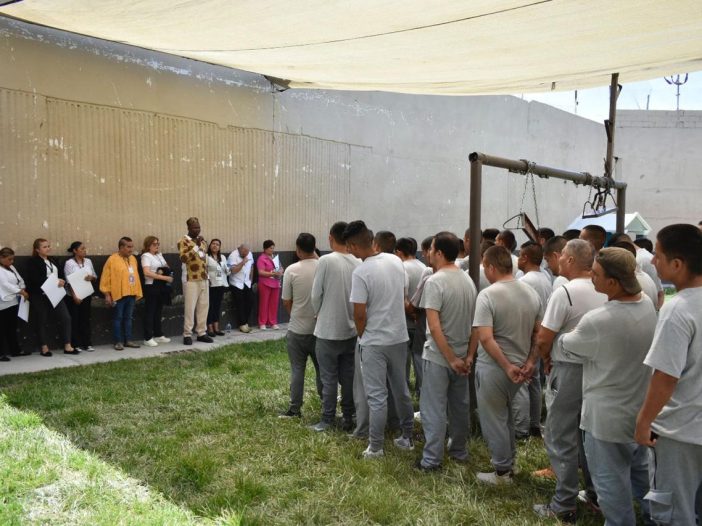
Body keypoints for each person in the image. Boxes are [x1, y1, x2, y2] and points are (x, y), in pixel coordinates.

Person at [557, 247, 656, 526]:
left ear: (612, 282)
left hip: (605, 420)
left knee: (611, 487)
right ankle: (655, 519)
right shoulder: (647, 305)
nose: (591, 277)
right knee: (642, 476)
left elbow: (566, 344)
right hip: (638, 410)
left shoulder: (598, 320)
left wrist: (567, 333)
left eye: (596, 274)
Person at [532, 239, 607, 522]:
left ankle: (563, 503)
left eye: (562, 254)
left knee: (560, 434)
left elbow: (544, 337)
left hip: (568, 369)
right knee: (588, 434)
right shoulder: (603, 289)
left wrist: (546, 357)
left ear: (572, 260)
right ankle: (595, 495)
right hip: (597, 370)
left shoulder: (565, 291)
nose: (558, 258)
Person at [635, 224, 702, 526]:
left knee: (674, 510)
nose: (652, 260)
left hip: (679, 430)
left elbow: (665, 376)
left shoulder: (677, 310)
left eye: (658, 256)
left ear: (677, 264)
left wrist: (644, 421)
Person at [472, 245, 542, 485]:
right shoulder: (531, 293)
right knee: (506, 418)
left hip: (495, 367)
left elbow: (485, 338)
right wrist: (530, 361)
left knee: (494, 419)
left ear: (491, 267)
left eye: (484, 267)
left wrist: (505, 365)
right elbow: (538, 333)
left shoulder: (488, 295)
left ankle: (502, 471)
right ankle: (509, 463)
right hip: (521, 365)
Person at [345, 220, 414, 459]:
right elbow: (402, 295)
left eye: (349, 246)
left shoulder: (361, 272)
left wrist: (362, 335)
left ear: (354, 246)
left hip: (374, 341)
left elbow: (359, 313)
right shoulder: (396, 261)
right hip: (399, 337)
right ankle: (407, 437)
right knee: (401, 389)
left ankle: (376, 447)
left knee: (376, 396)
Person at [417, 232, 477, 471]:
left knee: (433, 409)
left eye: (431, 249)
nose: (428, 253)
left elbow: (434, 326)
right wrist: (468, 356)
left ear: (439, 253)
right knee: (460, 407)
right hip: (463, 357)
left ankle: (431, 459)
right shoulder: (467, 280)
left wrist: (450, 358)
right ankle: (459, 450)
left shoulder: (435, 281)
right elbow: (476, 323)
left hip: (440, 357)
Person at [310, 222, 360, 432]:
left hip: (328, 329)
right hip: (351, 329)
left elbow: (316, 294)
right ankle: (348, 416)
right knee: (348, 377)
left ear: (331, 237)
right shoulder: (358, 261)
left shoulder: (326, 261)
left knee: (328, 377)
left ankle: (327, 418)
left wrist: (318, 312)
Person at [279, 233, 322, 418]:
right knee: (322, 370)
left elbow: (286, 301)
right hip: (320, 329)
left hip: (297, 328)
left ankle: (294, 409)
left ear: (297, 250)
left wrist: (295, 315)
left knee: (297, 369)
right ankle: (326, 407)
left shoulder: (291, 270)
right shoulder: (323, 266)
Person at [514, 241, 552, 439]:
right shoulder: (545, 277)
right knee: (535, 380)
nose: (517, 260)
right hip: (542, 333)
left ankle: (521, 430)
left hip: (529, 335)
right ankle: (535, 423)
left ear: (525, 258)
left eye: (520, 255)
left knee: (523, 381)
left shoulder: (524, 281)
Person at [24, 238, 75, 356]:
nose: (48, 248)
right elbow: (35, 279)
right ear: (37, 250)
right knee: (42, 319)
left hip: (56, 293)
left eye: (48, 246)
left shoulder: (52, 260)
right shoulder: (33, 262)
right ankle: (44, 347)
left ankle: (68, 345)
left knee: (66, 317)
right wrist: (54, 281)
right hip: (40, 295)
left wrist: (62, 281)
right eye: (44, 247)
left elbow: (60, 274)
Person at [100, 237, 143, 351]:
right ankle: (118, 342)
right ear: (121, 247)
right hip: (118, 294)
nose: (131, 249)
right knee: (117, 318)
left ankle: (128, 340)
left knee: (128, 318)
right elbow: (105, 278)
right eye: (128, 247)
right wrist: (107, 294)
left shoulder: (133, 259)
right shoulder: (112, 259)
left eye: (132, 247)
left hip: (131, 293)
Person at [395, 237, 427, 390]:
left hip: (405, 322)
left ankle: (405, 388)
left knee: (404, 361)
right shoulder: (424, 267)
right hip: (421, 321)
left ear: (399, 252)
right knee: (420, 359)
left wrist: (411, 314)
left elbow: (401, 297)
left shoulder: (400, 268)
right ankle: (422, 389)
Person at [178, 217, 213, 345]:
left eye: (198, 227)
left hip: (203, 278)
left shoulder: (203, 241)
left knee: (203, 307)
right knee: (190, 308)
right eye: (194, 228)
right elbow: (183, 258)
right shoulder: (183, 241)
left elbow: (204, 259)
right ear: (188, 228)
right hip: (190, 279)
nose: (197, 230)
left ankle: (201, 333)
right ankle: (187, 334)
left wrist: (208, 277)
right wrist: (196, 246)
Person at [64, 241, 98, 352]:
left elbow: (95, 276)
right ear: (75, 251)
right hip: (74, 295)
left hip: (86, 293)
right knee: (75, 319)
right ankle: (75, 344)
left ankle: (87, 343)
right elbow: (69, 281)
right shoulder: (69, 263)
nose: (84, 251)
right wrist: (74, 296)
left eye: (85, 248)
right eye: (82, 249)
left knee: (85, 319)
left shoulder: (88, 261)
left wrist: (91, 278)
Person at [140, 236, 173, 347]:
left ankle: (158, 334)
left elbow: (167, 267)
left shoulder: (159, 255)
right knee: (150, 312)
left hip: (161, 286)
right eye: (154, 244)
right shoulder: (146, 256)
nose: (157, 246)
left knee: (158, 311)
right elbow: (147, 272)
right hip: (151, 286)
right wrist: (164, 277)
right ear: (148, 245)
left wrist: (162, 272)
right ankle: (148, 337)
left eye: (158, 243)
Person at [0, 247, 29, 361]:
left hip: (14, 301)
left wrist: (22, 287)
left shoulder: (11, 267)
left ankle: (15, 350)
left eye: (13, 259)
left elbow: (19, 279)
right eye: (9, 259)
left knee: (12, 327)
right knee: (2, 328)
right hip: (3, 302)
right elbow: (4, 284)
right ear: (1, 258)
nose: (12, 262)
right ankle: (1, 353)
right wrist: (19, 291)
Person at [227, 244, 254, 333]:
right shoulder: (233, 256)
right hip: (236, 283)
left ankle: (245, 322)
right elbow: (233, 271)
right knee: (240, 304)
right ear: (240, 249)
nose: (246, 255)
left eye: (247, 253)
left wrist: (251, 278)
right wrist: (242, 263)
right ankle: (242, 324)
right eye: (244, 253)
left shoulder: (249, 253)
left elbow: (252, 265)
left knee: (250, 301)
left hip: (247, 282)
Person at [256, 239, 283, 330]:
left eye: (273, 248)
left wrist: (280, 271)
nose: (272, 250)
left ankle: (273, 322)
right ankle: (262, 323)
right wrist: (273, 274)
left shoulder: (275, 258)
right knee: (264, 303)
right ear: (265, 248)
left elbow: (281, 267)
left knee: (274, 304)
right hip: (265, 283)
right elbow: (260, 272)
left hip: (275, 283)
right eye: (270, 248)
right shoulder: (261, 258)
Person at [206, 238, 229, 337]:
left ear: (219, 247)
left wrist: (228, 269)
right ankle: (210, 328)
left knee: (217, 306)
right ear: (210, 245)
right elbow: (204, 270)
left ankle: (216, 327)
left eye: (217, 244)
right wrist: (207, 279)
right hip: (211, 285)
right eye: (213, 244)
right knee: (210, 307)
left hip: (221, 284)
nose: (215, 246)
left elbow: (226, 270)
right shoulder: (206, 257)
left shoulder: (222, 257)